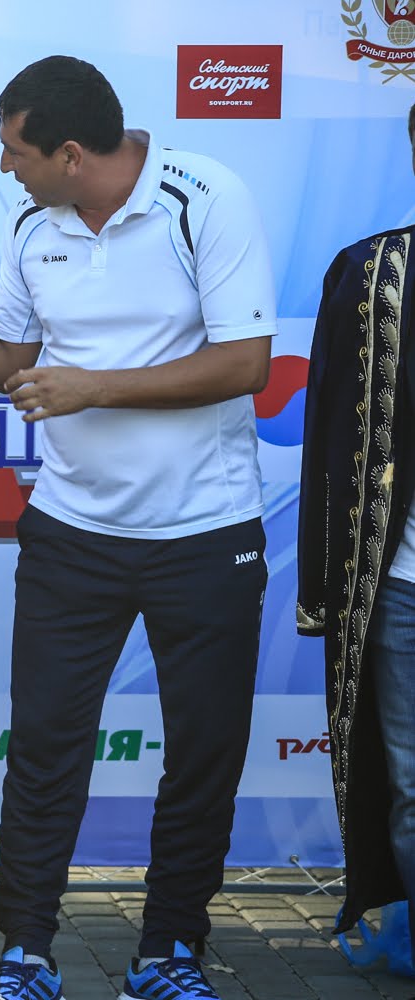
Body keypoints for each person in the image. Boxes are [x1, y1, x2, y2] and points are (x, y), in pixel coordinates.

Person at [0, 56, 276, 1000]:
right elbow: (8, 352)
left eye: (16, 151)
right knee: (44, 748)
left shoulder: (205, 197)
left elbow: (246, 364)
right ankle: (25, 951)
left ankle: (169, 951)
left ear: (70, 155)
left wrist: (94, 386)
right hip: (71, 533)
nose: (4, 165)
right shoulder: (34, 223)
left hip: (207, 533)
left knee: (203, 753)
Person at [297, 101, 415, 965]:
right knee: (410, 780)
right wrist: (322, 586)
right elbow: (330, 441)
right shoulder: (373, 274)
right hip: (402, 585)